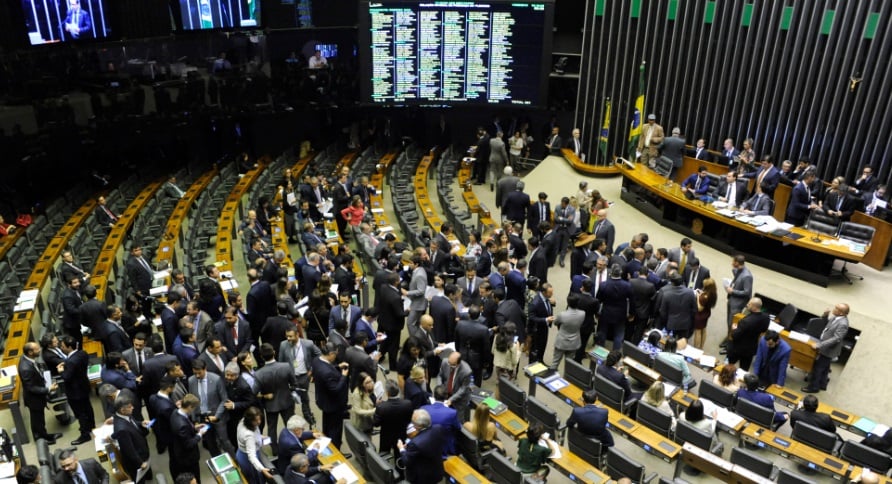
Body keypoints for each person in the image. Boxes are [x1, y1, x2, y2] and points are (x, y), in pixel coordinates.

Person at [255, 343, 298, 453]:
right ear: (274, 352)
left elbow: (255, 392)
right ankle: (293, 445)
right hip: (286, 401)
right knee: (290, 425)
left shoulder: (259, 374)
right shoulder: (286, 366)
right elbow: (294, 383)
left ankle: (274, 449)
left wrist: (264, 396)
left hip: (270, 404)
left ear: (261, 356)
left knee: (271, 428)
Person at [19, 342, 62, 444]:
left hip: (37, 397)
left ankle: (44, 436)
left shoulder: (27, 359)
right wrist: (48, 389)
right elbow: (31, 388)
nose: (39, 350)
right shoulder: (26, 368)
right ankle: (42, 439)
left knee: (39, 420)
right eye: (37, 349)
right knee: (37, 420)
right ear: (30, 352)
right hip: (34, 399)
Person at [802, 303, 850, 394]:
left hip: (828, 349)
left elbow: (836, 338)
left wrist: (820, 345)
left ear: (841, 313)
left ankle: (813, 387)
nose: (834, 309)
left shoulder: (843, 324)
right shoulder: (835, 317)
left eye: (836, 308)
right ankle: (823, 385)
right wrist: (825, 316)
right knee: (825, 368)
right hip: (825, 345)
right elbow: (826, 326)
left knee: (818, 368)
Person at [312, 342, 350, 449]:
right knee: (335, 431)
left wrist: (337, 367)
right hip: (333, 405)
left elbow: (328, 369)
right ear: (331, 354)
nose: (336, 356)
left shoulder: (316, 361)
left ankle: (327, 445)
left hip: (324, 401)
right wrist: (343, 376)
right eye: (336, 354)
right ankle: (335, 451)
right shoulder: (327, 372)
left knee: (327, 427)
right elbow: (336, 389)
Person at [60, 335, 95, 446]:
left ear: (69, 347)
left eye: (63, 346)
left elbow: (66, 377)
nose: (61, 348)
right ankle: (91, 426)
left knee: (80, 414)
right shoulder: (82, 353)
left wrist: (61, 370)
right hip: (84, 386)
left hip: (75, 393)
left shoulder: (71, 362)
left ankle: (85, 435)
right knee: (88, 408)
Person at [397, 409, 445, 483]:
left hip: (422, 478)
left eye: (413, 423)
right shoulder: (439, 428)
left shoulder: (415, 443)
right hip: (436, 470)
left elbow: (406, 461)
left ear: (418, 426)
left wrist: (401, 448)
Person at [111, 395, 151, 483]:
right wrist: (140, 463)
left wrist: (141, 423)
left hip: (141, 449)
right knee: (140, 480)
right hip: (136, 462)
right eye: (130, 407)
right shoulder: (122, 429)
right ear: (122, 410)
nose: (132, 408)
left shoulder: (123, 415)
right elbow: (129, 450)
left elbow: (132, 422)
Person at [169, 394, 210, 480]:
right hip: (187, 458)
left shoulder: (175, 412)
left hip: (178, 450)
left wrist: (194, 427)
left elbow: (184, 432)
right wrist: (200, 434)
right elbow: (189, 444)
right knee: (194, 478)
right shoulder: (182, 425)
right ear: (190, 407)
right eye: (194, 408)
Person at [726, 297, 770, 371]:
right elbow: (764, 329)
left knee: (728, 367)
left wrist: (734, 329)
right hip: (750, 349)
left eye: (749, 304)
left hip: (737, 349)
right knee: (744, 370)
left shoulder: (746, 322)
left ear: (754, 307)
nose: (747, 305)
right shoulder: (766, 318)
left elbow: (734, 336)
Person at [235, 407, 275, 484]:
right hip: (247, 459)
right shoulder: (249, 436)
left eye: (259, 419)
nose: (259, 422)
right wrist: (262, 469)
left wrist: (260, 436)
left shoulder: (243, 421)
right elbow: (252, 456)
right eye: (256, 420)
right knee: (255, 480)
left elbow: (254, 433)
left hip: (241, 453)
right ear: (250, 420)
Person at [724, 255, 753, 343]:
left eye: (733, 261)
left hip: (737, 303)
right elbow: (736, 275)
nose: (732, 263)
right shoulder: (738, 270)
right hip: (731, 299)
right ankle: (728, 337)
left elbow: (747, 292)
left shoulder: (747, 276)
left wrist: (733, 291)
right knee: (728, 321)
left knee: (733, 323)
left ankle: (731, 342)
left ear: (737, 262)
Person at [552, 293, 584, 369]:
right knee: (569, 365)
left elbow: (555, 323)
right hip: (574, 343)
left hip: (561, 342)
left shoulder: (562, 315)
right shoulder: (583, 314)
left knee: (555, 363)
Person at [439, 351, 473, 422]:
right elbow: (440, 376)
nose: (450, 366)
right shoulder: (445, 362)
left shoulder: (466, 371)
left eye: (453, 365)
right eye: (449, 363)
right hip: (446, 394)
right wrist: (440, 389)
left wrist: (451, 399)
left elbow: (463, 389)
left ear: (458, 364)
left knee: (459, 421)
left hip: (459, 399)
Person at [692, 278, 717, 349]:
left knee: (698, 331)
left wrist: (698, 297)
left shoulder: (705, 297)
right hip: (706, 313)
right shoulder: (713, 293)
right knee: (704, 329)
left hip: (700, 316)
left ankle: (696, 348)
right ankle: (701, 347)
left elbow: (699, 308)